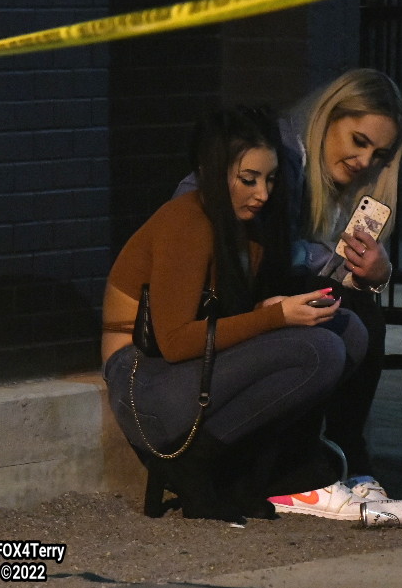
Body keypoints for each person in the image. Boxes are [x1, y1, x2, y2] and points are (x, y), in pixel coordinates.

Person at [102, 106, 379, 522]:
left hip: (189, 370)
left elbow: (217, 316)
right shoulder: (187, 220)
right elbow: (175, 341)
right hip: (145, 382)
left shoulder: (246, 224)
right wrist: (274, 318)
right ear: (212, 172)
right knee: (319, 350)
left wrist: (262, 310)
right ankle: (196, 467)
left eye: (270, 179)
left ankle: (271, 470)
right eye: (248, 180)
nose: (263, 193)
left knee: (348, 330)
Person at [174, 69, 402, 501]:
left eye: (380, 154)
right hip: (220, 301)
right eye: (358, 141)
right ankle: (332, 465)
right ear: (328, 117)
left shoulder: (343, 185)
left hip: (262, 291)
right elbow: (197, 209)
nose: (366, 161)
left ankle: (334, 461)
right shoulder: (283, 153)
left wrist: (377, 272)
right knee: (344, 312)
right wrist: (324, 264)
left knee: (352, 309)